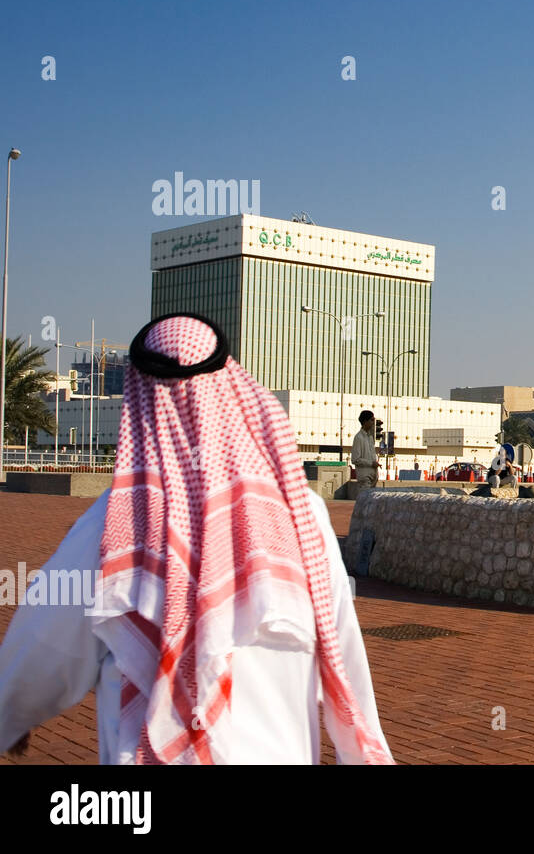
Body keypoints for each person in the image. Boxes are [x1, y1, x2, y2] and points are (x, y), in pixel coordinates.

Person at [0, 314, 392, 764]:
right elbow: (343, 653)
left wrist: (10, 716)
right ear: (232, 389)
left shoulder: (112, 527)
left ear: (139, 401)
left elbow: (43, 643)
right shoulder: (303, 517)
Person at [352, 411, 379, 492]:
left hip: (373, 477)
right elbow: (355, 459)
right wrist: (371, 463)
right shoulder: (358, 437)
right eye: (371, 420)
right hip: (364, 478)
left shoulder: (370, 437)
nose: (373, 422)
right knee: (366, 502)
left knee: (371, 502)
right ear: (365, 421)